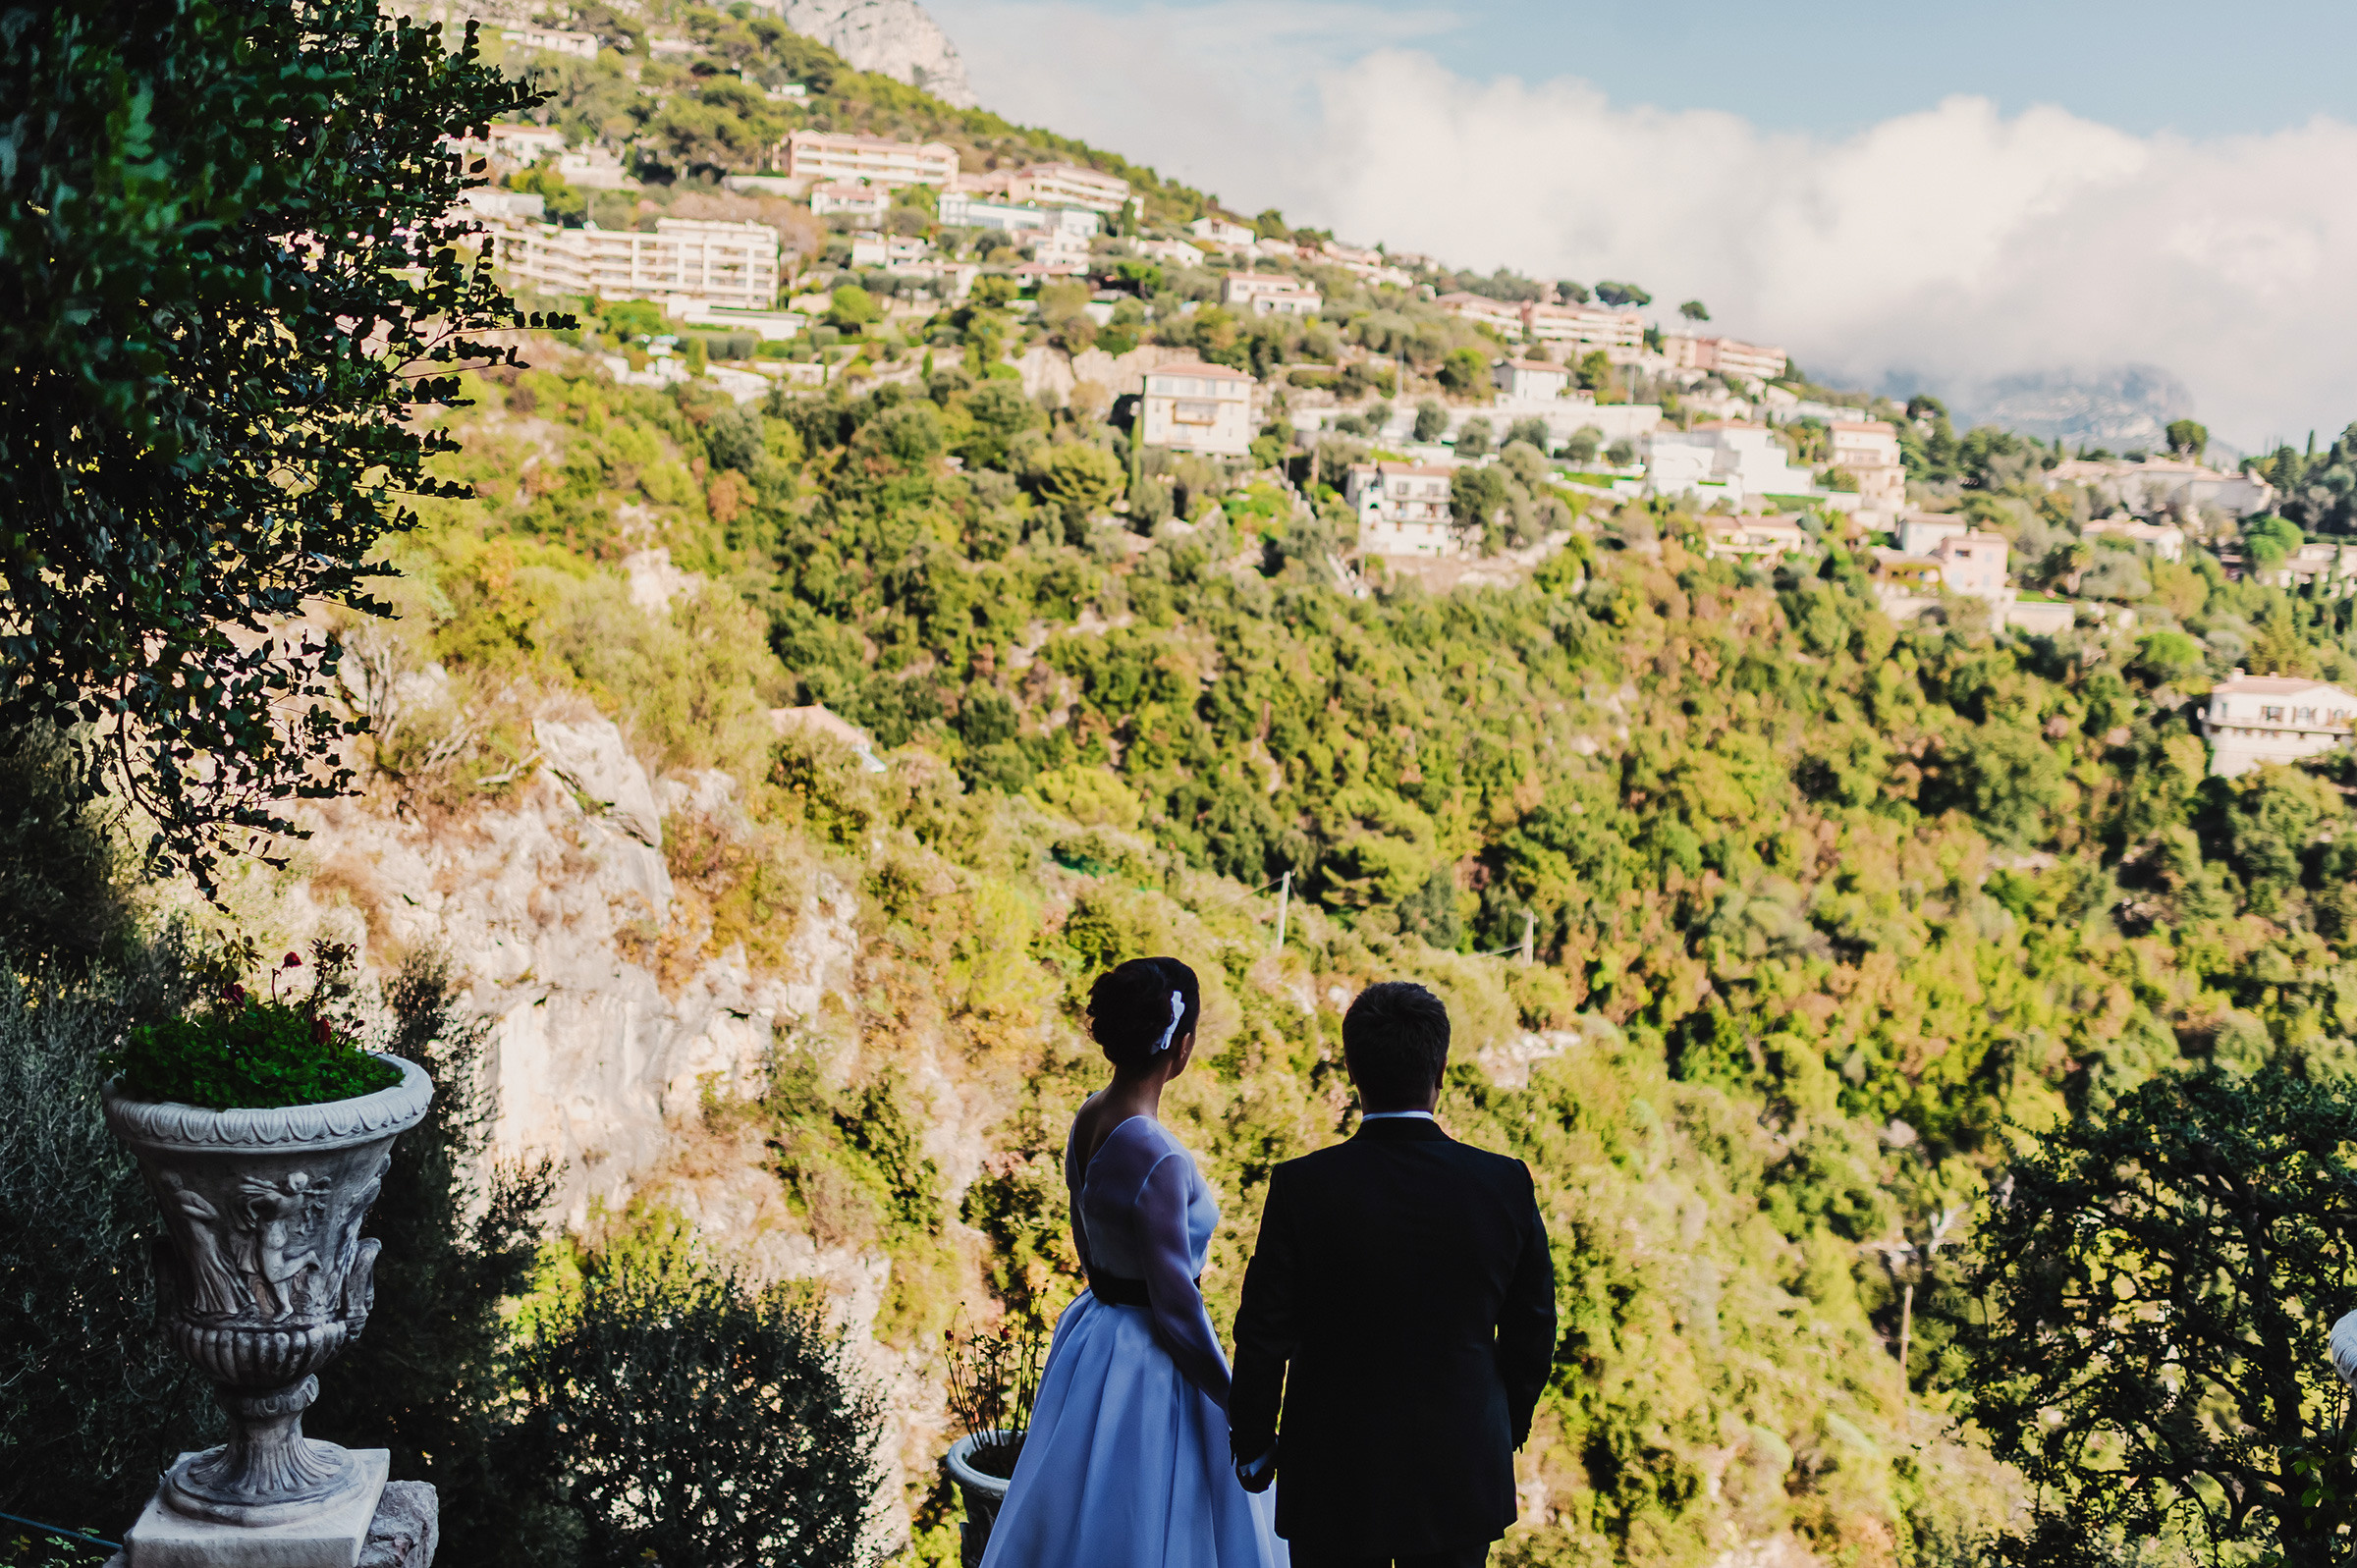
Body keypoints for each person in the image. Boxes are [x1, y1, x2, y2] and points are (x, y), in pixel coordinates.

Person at [1229, 981, 1556, 1568]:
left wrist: (1253, 1440)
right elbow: (1533, 1330)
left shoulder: (1302, 1187)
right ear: (1442, 1070)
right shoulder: (1504, 1184)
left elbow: (1263, 1331)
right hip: (1459, 1471)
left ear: (1353, 1070)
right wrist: (1503, 1426)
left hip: (1332, 1473)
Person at [980, 955, 1288, 1568]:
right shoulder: (1159, 1155)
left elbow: (1088, 1245)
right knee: (1147, 1512)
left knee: (1077, 1508)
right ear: (1182, 1045)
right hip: (1149, 1358)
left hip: (1094, 1333)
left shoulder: (1089, 1115)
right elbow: (1175, 1307)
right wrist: (1239, 1404)